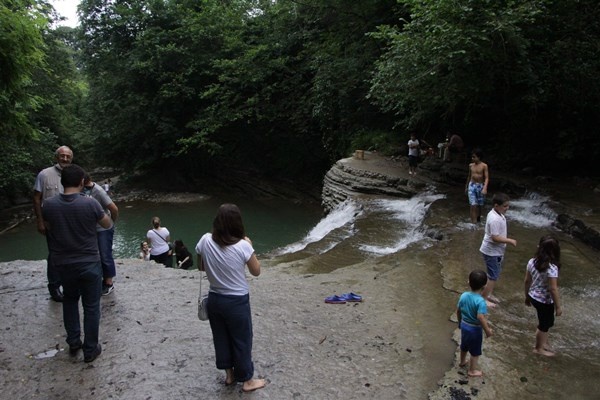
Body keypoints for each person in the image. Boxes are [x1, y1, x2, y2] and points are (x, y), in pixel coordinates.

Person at [41, 164, 112, 363]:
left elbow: (48, 226)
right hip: (89, 262)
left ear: (62, 182)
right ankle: (90, 349)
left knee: (70, 300)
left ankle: (73, 341)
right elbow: (107, 224)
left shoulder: (49, 205)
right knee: (91, 306)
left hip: (63, 263)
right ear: (82, 182)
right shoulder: (90, 203)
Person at [195, 204, 266, 393]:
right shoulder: (243, 245)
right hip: (236, 302)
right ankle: (247, 381)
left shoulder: (205, 240)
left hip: (215, 299)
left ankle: (229, 375)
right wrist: (250, 247)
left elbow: (201, 266)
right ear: (237, 224)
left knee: (221, 337)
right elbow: (256, 271)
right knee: (242, 339)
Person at [33, 145, 74, 302]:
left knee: (73, 253)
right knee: (55, 255)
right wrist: (40, 220)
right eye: (62, 155)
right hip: (52, 223)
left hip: (72, 223)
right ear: (56, 157)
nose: (64, 159)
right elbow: (37, 197)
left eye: (67, 156)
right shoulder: (44, 174)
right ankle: (54, 286)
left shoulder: (75, 173)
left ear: (71, 158)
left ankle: (71, 284)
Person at [524, 235, 562, 356]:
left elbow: (527, 281)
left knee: (545, 321)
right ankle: (538, 348)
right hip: (544, 301)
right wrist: (558, 306)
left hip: (533, 296)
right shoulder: (552, 268)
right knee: (544, 325)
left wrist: (527, 296)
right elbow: (553, 289)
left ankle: (543, 342)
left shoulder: (531, 262)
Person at [83, 173, 119, 295]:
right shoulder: (79, 189)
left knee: (105, 254)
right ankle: (95, 279)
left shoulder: (98, 190)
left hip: (103, 228)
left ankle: (108, 282)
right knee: (92, 255)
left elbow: (114, 209)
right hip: (89, 228)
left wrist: (111, 223)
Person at [479, 193, 517, 306]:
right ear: (496, 206)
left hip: (495, 251)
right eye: (505, 206)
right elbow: (495, 237)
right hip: (491, 251)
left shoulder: (496, 213)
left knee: (493, 273)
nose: (507, 208)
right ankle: (483, 299)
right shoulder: (494, 219)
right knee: (493, 276)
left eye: (507, 206)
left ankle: (487, 292)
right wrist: (509, 240)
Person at [456, 270, 493, 377]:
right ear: (484, 286)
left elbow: (458, 310)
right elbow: (480, 317)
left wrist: (459, 322)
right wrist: (487, 331)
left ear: (468, 282)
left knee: (464, 345)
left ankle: (462, 362)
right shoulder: (480, 301)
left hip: (464, 325)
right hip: (474, 329)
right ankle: (472, 371)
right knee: (475, 351)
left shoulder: (463, 296)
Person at [465, 148, 489, 223]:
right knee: (473, 204)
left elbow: (487, 178)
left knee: (479, 205)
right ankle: (473, 222)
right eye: (472, 157)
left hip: (480, 186)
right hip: (472, 185)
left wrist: (485, 188)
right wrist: (466, 186)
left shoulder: (484, 166)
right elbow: (469, 176)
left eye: (474, 157)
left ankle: (478, 219)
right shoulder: (471, 165)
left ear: (479, 157)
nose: (472, 159)